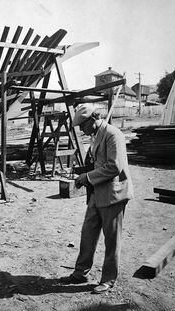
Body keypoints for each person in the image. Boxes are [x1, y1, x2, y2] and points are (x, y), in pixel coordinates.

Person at [60, 104, 134, 294]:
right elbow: (95, 163)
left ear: (92, 119)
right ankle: (80, 273)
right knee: (88, 234)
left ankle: (108, 279)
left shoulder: (112, 134)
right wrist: (80, 174)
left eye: (83, 126)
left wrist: (88, 177)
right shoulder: (95, 136)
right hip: (96, 193)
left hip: (113, 195)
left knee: (111, 240)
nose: (82, 131)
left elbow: (114, 167)